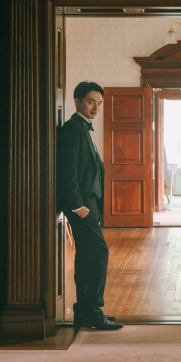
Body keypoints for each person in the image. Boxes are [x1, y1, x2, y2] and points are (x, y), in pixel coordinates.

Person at [56, 81, 123, 330]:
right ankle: (92, 311)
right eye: (91, 102)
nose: (96, 108)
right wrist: (77, 205)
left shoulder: (83, 129)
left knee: (86, 256)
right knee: (98, 253)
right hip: (82, 207)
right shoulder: (73, 129)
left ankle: (84, 311)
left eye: (99, 103)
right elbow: (67, 171)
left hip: (90, 204)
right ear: (77, 101)